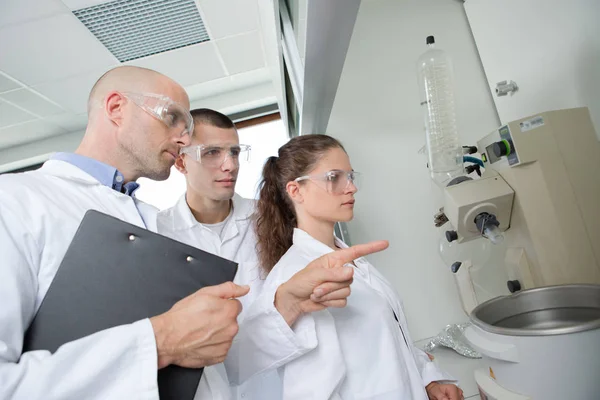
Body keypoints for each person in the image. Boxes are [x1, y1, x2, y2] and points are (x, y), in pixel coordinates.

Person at [0, 66, 388, 399]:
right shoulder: (16, 202)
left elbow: (213, 363)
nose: (185, 139)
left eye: (187, 128)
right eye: (171, 119)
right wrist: (158, 341)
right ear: (116, 109)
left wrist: (289, 301)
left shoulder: (145, 220)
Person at [254, 134, 464, 399]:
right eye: (334, 178)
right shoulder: (297, 279)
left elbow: (386, 341)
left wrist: (428, 379)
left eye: (350, 176)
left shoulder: (347, 256)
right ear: (296, 191)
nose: (350, 187)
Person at [158, 108, 280, 399]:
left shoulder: (270, 219)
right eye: (212, 152)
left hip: (279, 386)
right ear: (180, 162)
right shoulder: (159, 234)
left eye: (235, 152)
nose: (230, 165)